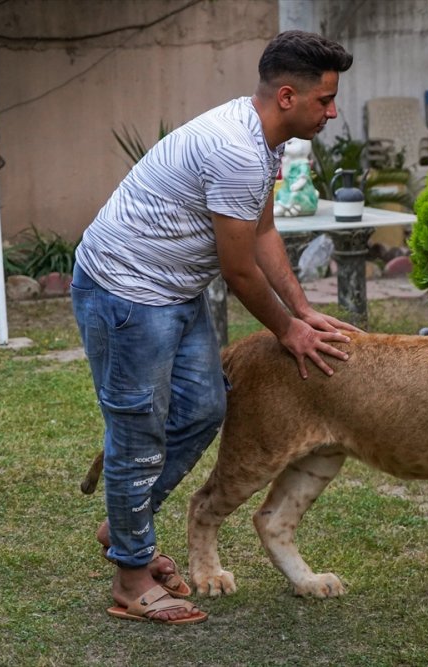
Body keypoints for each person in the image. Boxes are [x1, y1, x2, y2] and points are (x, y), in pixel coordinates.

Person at [71, 31, 357, 625]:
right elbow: (239, 271)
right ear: (286, 96)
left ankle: (125, 524)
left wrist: (303, 311)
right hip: (125, 292)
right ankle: (130, 577)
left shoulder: (265, 139)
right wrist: (288, 332)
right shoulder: (236, 149)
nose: (332, 111)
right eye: (325, 100)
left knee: (203, 407)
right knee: (137, 430)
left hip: (173, 287)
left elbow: (264, 234)